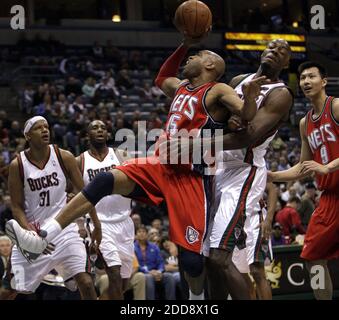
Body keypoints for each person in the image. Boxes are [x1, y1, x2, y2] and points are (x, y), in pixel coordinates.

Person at [6, 34, 266, 300]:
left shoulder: (218, 90)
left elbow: (246, 115)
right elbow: (161, 77)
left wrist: (250, 100)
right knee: (104, 181)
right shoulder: (182, 87)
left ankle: (196, 302)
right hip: (161, 166)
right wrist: (186, 43)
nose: (190, 57)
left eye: (197, 55)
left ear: (211, 65)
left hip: (191, 177)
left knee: (192, 262)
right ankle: (42, 236)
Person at [200, 39, 293, 300]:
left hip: (244, 171)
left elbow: (247, 137)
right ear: (262, 51)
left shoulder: (280, 93)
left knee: (229, 259)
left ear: (287, 64)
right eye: (272, 47)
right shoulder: (239, 80)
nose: (275, 52)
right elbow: (215, 122)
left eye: (282, 52)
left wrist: (194, 144)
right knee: (210, 259)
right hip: (216, 169)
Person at [2, 116, 100, 300]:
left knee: (86, 282)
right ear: (28, 136)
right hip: (35, 232)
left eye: (46, 127)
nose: (45, 130)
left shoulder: (64, 157)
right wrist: (30, 237)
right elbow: (16, 207)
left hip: (65, 231)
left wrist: (96, 225)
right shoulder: (18, 165)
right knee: (9, 290)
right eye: (39, 128)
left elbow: (86, 194)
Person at [268, 61, 339, 300]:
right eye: (302, 78)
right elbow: (304, 167)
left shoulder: (337, 107)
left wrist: (328, 166)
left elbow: (320, 166)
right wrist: (272, 176)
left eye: (311, 76)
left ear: (324, 81)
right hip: (329, 200)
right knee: (312, 258)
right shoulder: (305, 123)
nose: (306, 81)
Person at [78, 119, 134, 300]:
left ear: (108, 134)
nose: (100, 130)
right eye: (94, 128)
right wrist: (79, 223)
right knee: (114, 274)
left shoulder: (121, 155)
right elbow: (74, 195)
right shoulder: (80, 161)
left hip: (125, 221)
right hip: (99, 224)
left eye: (103, 128)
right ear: (88, 135)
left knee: (123, 283)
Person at [231, 182, 278, 300]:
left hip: (254, 220)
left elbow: (271, 188)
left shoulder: (252, 165)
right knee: (240, 274)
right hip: (233, 221)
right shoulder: (219, 169)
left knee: (257, 271)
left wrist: (269, 219)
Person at [134, 225, 176, 300]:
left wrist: (159, 271)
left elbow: (160, 262)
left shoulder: (154, 247)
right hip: (142, 273)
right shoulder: (132, 247)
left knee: (169, 277)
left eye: (144, 232)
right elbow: (135, 265)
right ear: (136, 235)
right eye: (139, 232)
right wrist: (148, 272)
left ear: (147, 234)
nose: (141, 233)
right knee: (149, 277)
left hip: (157, 272)